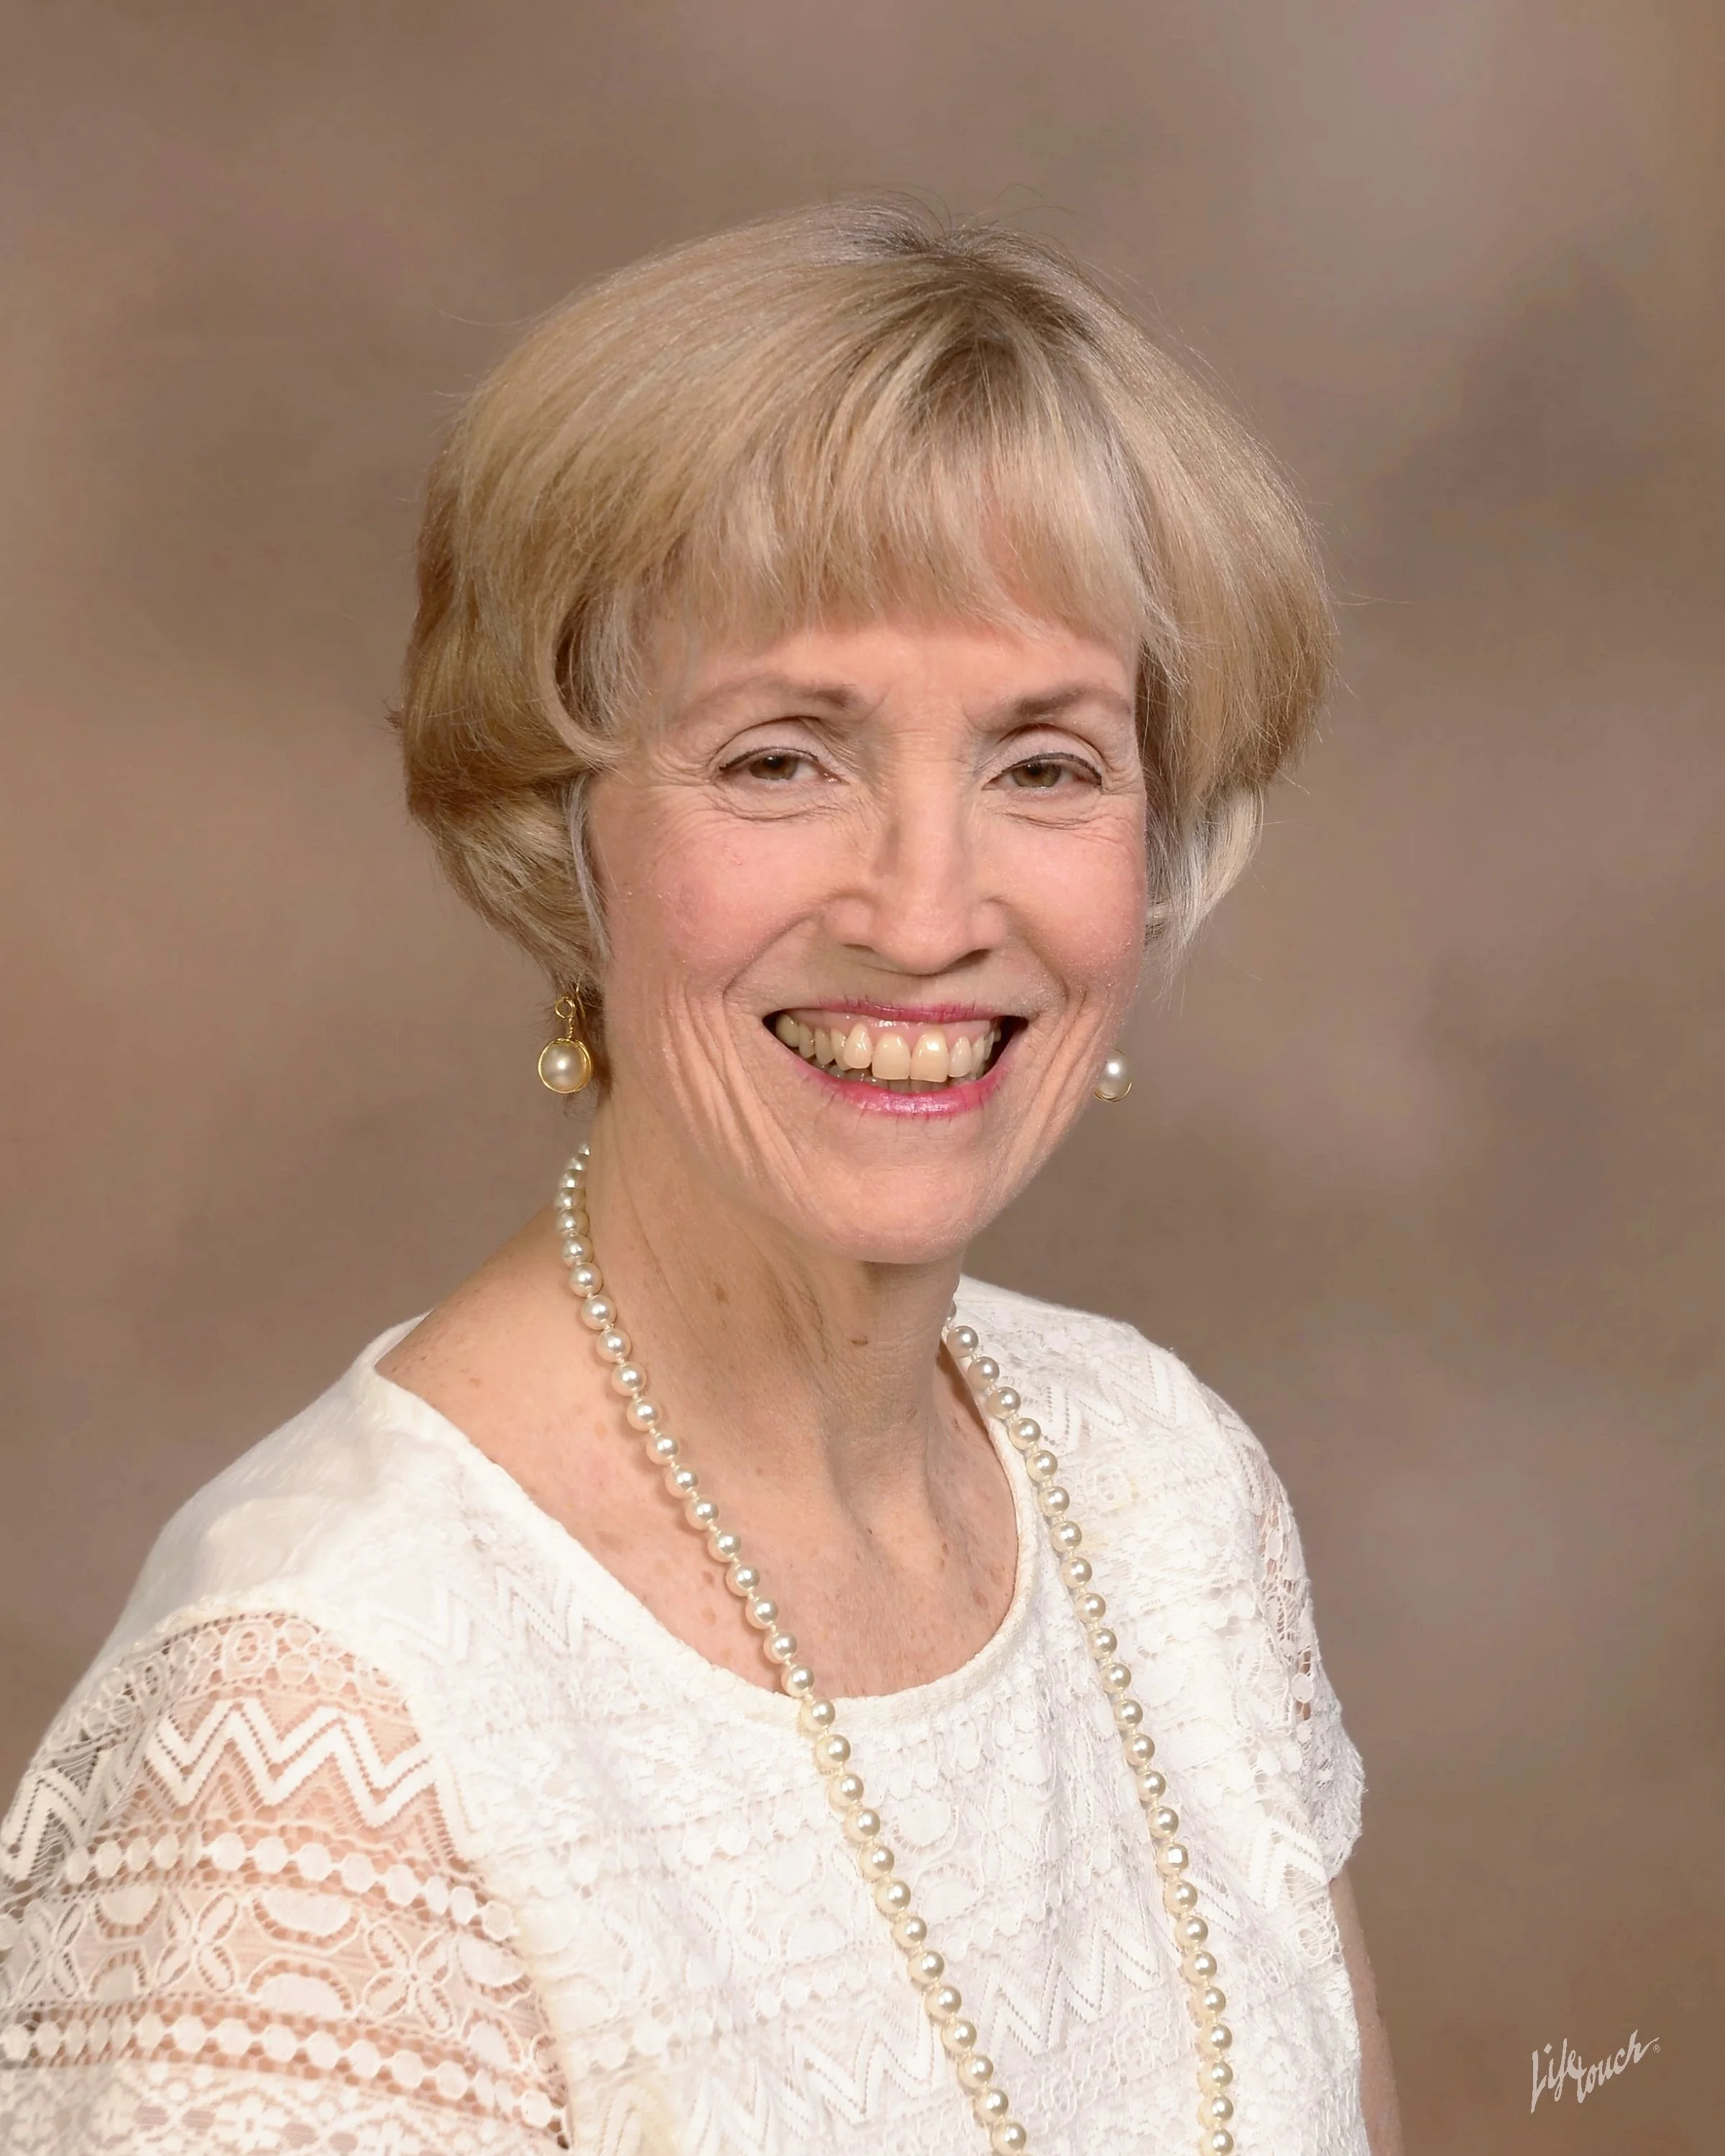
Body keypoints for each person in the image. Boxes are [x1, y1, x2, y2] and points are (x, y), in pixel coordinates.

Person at [0, 199, 1402, 2156]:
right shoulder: (318, 1746)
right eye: (779, 761)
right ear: (558, 836)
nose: (927, 913)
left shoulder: (1165, 1487)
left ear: (1152, 852)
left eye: (1045, 764)